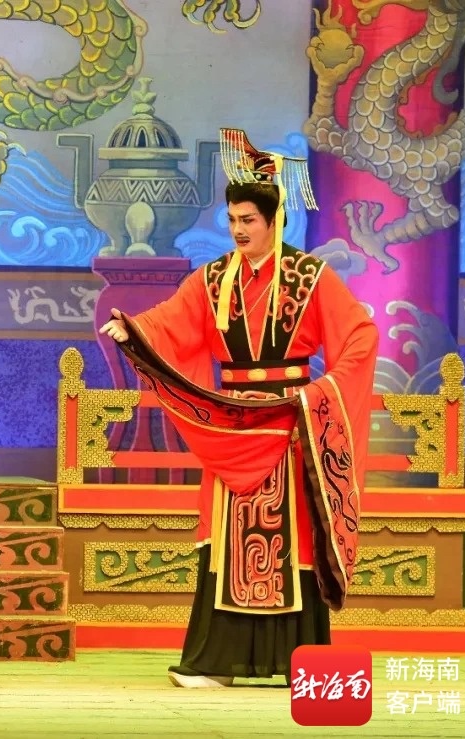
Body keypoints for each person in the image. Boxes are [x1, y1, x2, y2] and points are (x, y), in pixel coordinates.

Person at [100, 128, 379, 688]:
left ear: (274, 221)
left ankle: (305, 668)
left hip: (290, 424)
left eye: (248, 219)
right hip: (233, 429)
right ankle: (216, 665)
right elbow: (170, 321)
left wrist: (320, 394)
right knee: (227, 545)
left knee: (294, 545)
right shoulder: (214, 280)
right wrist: (133, 331)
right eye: (231, 220)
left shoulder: (309, 278)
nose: (238, 230)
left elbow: (360, 336)